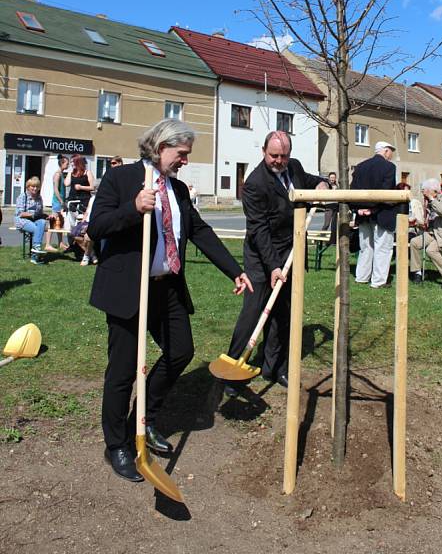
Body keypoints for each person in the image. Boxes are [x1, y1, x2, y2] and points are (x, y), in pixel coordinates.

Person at [87, 119, 253, 483]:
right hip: (128, 289)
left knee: (180, 351)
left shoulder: (177, 190)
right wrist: (133, 208)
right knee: (123, 370)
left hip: (167, 288)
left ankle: (142, 421)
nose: (184, 161)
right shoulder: (122, 179)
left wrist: (234, 270)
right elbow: (96, 227)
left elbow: (200, 232)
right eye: (182, 154)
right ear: (161, 147)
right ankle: (116, 444)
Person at [225, 131, 329, 395]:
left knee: (284, 314)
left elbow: (309, 181)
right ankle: (233, 373)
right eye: (274, 156)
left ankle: (275, 367)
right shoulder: (254, 184)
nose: (279, 161)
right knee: (253, 313)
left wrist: (322, 184)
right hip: (261, 259)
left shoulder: (293, 168)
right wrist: (273, 266)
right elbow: (259, 231)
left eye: (283, 156)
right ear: (263, 152)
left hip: (290, 252)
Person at [350, 141, 397, 288]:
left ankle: (362, 277)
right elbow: (386, 191)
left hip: (362, 214)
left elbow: (353, 190)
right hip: (380, 213)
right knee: (382, 247)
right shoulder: (389, 167)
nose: (391, 155)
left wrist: (358, 209)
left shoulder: (360, 166)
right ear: (386, 151)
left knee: (366, 247)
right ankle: (378, 281)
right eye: (390, 152)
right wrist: (373, 209)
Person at [410, 178, 442, 288]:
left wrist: (431, 200)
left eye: (424, 190)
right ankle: (417, 272)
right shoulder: (429, 202)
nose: (423, 193)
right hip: (434, 233)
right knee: (414, 242)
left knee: (431, 250)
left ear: (433, 190)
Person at [15, 176, 57, 264]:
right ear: (28, 187)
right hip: (23, 220)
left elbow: (40, 213)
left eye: (37, 187)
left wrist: (47, 216)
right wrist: (33, 215)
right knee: (37, 229)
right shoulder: (23, 196)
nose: (35, 188)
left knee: (42, 222)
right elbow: (20, 213)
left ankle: (36, 250)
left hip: (35, 220)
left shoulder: (39, 197)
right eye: (33, 186)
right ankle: (35, 255)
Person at [51, 155, 69, 250]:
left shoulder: (62, 174)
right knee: (53, 222)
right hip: (57, 201)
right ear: (62, 163)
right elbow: (56, 190)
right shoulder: (57, 174)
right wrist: (61, 201)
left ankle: (60, 243)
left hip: (61, 201)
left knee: (60, 223)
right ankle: (48, 244)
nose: (68, 165)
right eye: (67, 163)